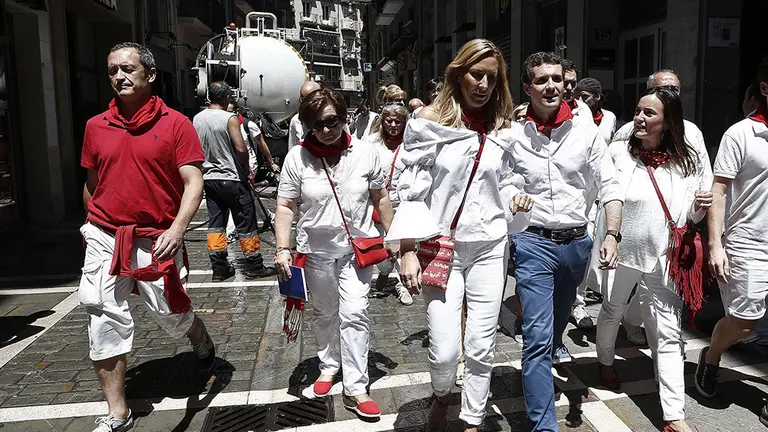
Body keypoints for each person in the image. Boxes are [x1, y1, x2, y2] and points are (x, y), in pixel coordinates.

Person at [389, 39, 532, 432]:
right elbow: (410, 189)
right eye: (476, 74)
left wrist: (514, 196)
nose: (483, 85)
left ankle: (472, 417)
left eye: (492, 78)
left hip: (490, 245)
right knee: (444, 349)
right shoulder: (429, 121)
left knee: (482, 343)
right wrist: (407, 250)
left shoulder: (504, 127)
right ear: (458, 74)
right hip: (441, 247)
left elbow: (506, 179)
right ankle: (442, 393)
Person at [79, 42, 215, 432]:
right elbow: (91, 185)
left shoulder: (177, 124)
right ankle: (118, 413)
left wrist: (178, 228)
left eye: (128, 68)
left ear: (150, 74)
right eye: (112, 70)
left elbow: (193, 182)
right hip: (107, 233)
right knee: (100, 312)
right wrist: (90, 224)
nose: (119, 76)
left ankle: (196, 332)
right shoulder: (95, 126)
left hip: (158, 236)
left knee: (170, 313)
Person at [510, 51, 623, 432]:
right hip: (533, 243)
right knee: (538, 337)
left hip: (577, 246)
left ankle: (546, 360)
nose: (551, 86)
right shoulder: (512, 135)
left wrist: (612, 234)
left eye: (556, 79)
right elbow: (500, 180)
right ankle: (543, 424)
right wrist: (512, 196)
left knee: (557, 325)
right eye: (541, 80)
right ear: (527, 87)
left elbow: (610, 185)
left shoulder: (586, 132)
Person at [273, 88, 396, 420]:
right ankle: (329, 365)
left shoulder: (366, 153)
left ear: (344, 117)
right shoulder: (297, 158)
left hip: (356, 251)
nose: (325, 130)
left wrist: (394, 238)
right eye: (316, 125)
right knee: (325, 313)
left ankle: (356, 386)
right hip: (315, 252)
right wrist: (283, 248)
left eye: (331, 121)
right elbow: (285, 206)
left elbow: (381, 198)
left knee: (355, 312)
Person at [594, 87, 710, 432]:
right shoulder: (619, 152)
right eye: (638, 111)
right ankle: (604, 361)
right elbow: (607, 197)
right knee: (613, 309)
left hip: (664, 257)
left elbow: (688, 216)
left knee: (669, 332)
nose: (639, 119)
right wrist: (609, 237)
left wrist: (699, 207)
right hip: (623, 252)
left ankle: (674, 415)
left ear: (668, 121)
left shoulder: (685, 160)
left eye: (649, 113)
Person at [610, 69, 713, 346]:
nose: (670, 94)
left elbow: (702, 174)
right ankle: (631, 326)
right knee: (635, 288)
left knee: (660, 297)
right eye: (662, 89)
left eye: (675, 90)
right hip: (634, 235)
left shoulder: (692, 132)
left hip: (673, 230)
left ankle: (640, 326)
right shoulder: (629, 131)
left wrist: (700, 205)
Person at [696, 58, 768, 413]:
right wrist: (715, 244)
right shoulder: (741, 134)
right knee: (744, 322)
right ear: (765, 89)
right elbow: (719, 190)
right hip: (749, 242)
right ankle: (711, 355)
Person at [193, 81, 276, 281]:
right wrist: (245, 170)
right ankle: (254, 265)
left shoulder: (197, 118)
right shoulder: (229, 118)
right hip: (232, 177)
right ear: (225, 98)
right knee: (245, 222)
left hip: (209, 178)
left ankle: (219, 268)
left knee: (216, 224)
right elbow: (240, 148)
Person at [365, 103, 413, 306]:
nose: (393, 125)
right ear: (382, 122)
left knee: (401, 249)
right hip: (378, 204)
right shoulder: (371, 143)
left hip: (402, 205)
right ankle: (385, 272)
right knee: (382, 250)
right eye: (389, 121)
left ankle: (403, 287)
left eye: (398, 122)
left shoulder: (411, 144)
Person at [224, 104, 279, 242]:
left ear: (236, 111)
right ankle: (268, 216)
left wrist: (271, 162)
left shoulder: (248, 125)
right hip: (232, 165)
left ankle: (230, 231)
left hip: (249, 165)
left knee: (237, 195)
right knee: (250, 194)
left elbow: (262, 144)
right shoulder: (223, 124)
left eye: (229, 111)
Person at [576, 77, 617, 143]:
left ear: (597, 96)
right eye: (577, 97)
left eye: (585, 96)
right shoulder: (574, 117)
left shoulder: (609, 117)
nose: (580, 100)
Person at [288, 80, 322, 148]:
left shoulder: (333, 119)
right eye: (302, 99)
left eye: (309, 99)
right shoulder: (296, 121)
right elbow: (292, 148)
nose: (305, 104)